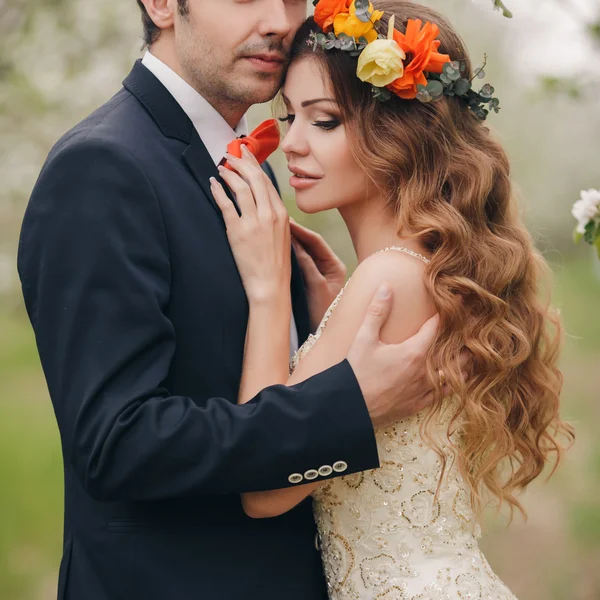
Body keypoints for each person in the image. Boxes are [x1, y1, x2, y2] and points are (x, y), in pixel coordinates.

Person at [16, 1, 452, 599]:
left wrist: (320, 330)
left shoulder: (253, 168)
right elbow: (116, 442)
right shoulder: (102, 166)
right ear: (164, 5)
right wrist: (347, 406)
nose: (279, 20)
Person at [211, 1, 575, 598]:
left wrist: (268, 289)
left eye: (323, 120)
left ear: (400, 133)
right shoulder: (421, 270)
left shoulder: (390, 280)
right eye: (289, 116)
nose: (292, 144)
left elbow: (263, 488)